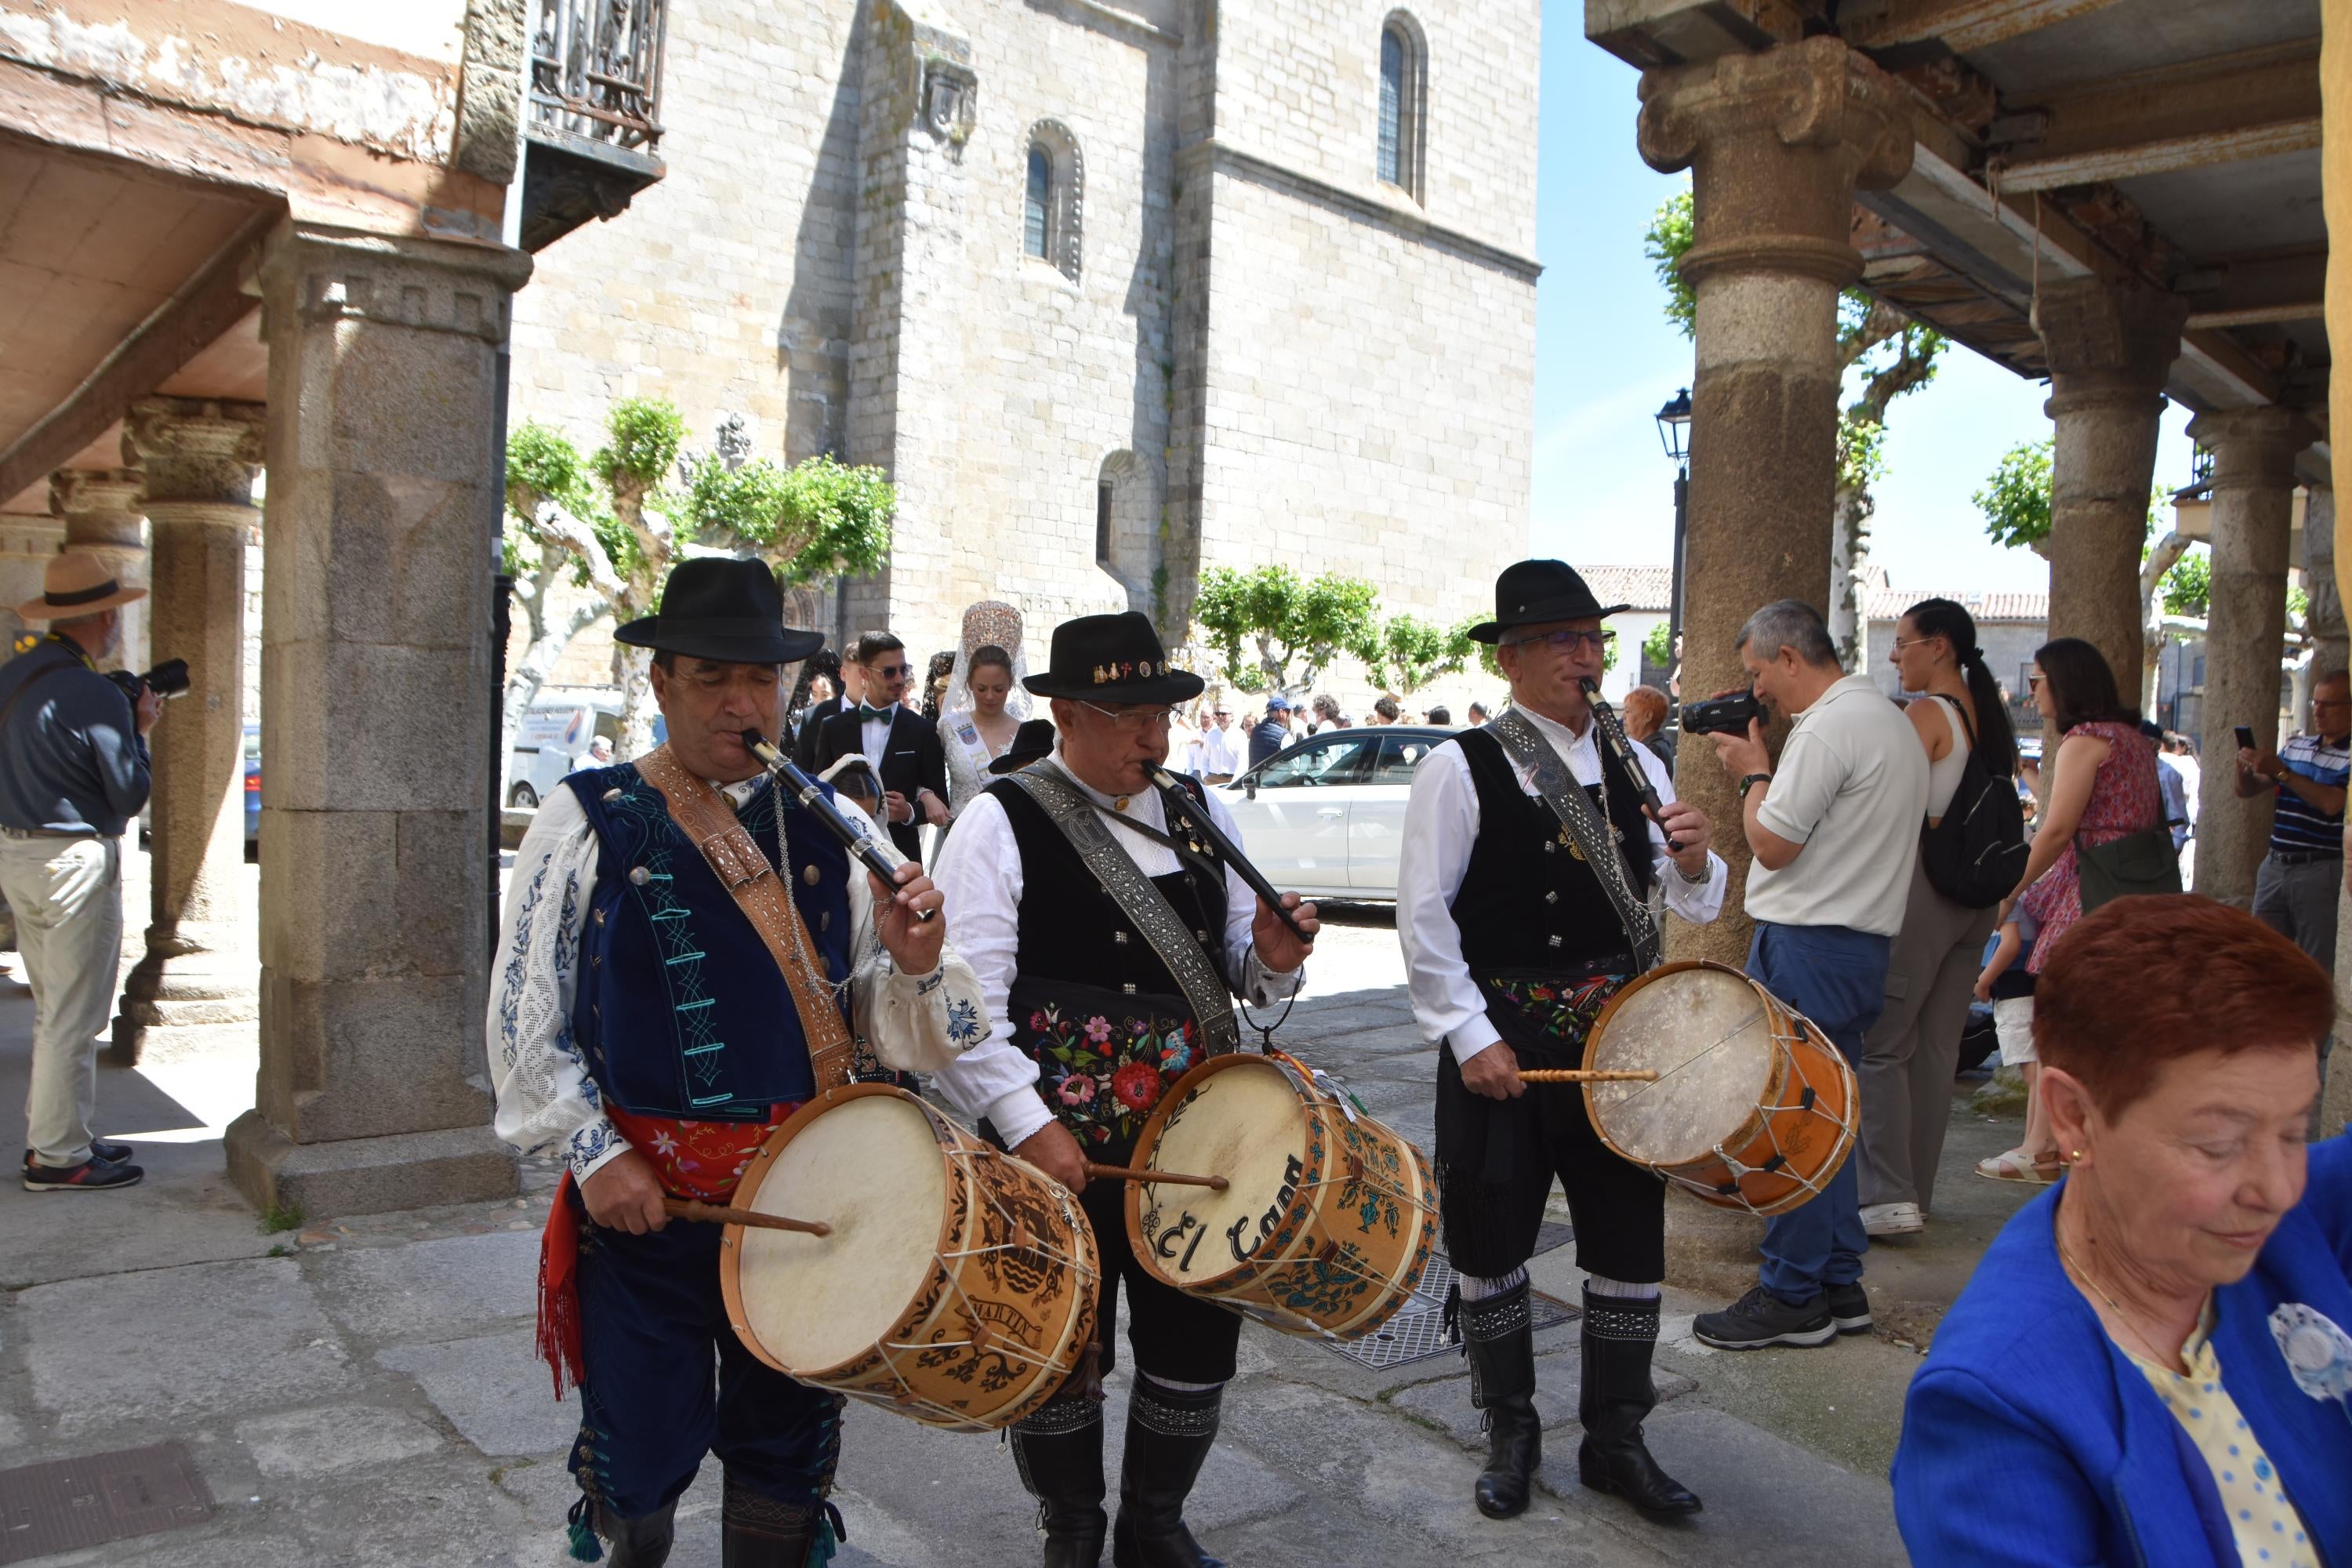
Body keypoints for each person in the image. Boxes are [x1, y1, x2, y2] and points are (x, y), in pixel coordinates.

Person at [488, 557, 985, 1567]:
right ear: (661, 682)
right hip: (644, 1210)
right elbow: (521, 1014)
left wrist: (917, 962)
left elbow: (884, 1029)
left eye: (761, 679)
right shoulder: (589, 816)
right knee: (639, 1456)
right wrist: (592, 1152)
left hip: (805, 1210)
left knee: (783, 1457)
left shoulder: (826, 826)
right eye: (711, 677)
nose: (740, 702)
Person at [927, 612, 1317, 1568]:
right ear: (1065, 712)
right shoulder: (1000, 818)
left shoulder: (1197, 811)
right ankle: (1071, 1525)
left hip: (1196, 1145)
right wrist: (1027, 1127)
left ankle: (1154, 1520)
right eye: (1132, 715)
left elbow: (1236, 963)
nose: (1157, 735)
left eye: (1163, 712)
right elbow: (963, 1001)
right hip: (1063, 1147)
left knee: (1195, 1339)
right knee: (1060, 1337)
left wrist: (1267, 960)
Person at [1399, 561, 1725, 1523]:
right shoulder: (1459, 766)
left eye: (1592, 638)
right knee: (1491, 1238)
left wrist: (1699, 857)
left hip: (1620, 1050)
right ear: (1511, 659)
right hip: (1506, 1049)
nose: (1585, 656)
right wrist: (1468, 1034)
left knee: (1628, 1241)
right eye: (1561, 640)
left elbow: (1690, 899)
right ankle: (1511, 1430)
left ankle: (1616, 1439)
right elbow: (1423, 919)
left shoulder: (1639, 761)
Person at [1893, 895, 2352, 1567]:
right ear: (2074, 1116)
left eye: (2294, 1131)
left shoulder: (2299, 1218)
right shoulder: (1995, 1410)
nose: (2278, 1188)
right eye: (2219, 1144)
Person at [1697, 599, 1927, 1350]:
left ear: (1790, 658)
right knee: (1832, 1117)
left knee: (1792, 1123)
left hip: (1809, 943)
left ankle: (1789, 1290)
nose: (1757, 690)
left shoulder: (1830, 726)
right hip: (1856, 947)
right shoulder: (1890, 719)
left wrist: (1751, 772)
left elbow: (1772, 843)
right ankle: (1836, 1280)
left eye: (1758, 672)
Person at [1, 554, 161, 1193]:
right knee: (74, 1014)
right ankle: (59, 1157)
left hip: (16, 854)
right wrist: (140, 729)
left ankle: (60, 1135)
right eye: (116, 609)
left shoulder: (12, 676)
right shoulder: (94, 693)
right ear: (102, 615)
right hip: (72, 862)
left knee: (54, 1008)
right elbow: (127, 795)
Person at [1856, 598, 2016, 1237]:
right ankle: (1913, 1194)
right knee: (1936, 1049)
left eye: (1903, 643)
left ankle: (1886, 1195)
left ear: (1940, 646)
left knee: (1883, 1043)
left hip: (1926, 889)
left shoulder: (1929, 713)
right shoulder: (1988, 716)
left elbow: (1882, 793)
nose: (1896, 656)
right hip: (1975, 901)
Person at [2006, 638, 2165, 975]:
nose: (2031, 691)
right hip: (2136, 884)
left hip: (2095, 883)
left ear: (2063, 682)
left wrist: (2009, 894)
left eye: (2036, 681)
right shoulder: (2130, 737)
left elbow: (2057, 831)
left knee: (2073, 990)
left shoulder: (2084, 739)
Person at [2238, 669, 2350, 971]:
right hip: (2275, 864)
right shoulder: (2296, 745)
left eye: (2329, 704)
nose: (2319, 710)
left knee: (2316, 965)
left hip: (2320, 869)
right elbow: (2246, 790)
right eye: (2316, 702)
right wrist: (2244, 766)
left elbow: (2332, 804)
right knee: (2259, 958)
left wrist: (2283, 773)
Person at [812, 631, 948, 864]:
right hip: (841, 852)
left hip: (900, 855)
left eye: (903, 670)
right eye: (889, 672)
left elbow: (940, 801)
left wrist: (910, 812)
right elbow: (816, 787)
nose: (899, 679)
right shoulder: (833, 728)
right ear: (865, 673)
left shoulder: (922, 730)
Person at [1971, 903, 2053, 1184]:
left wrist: (1983, 981)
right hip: (2027, 987)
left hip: (2014, 991)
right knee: (2035, 1073)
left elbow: (2010, 944)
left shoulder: (2012, 900)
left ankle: (2039, 1144)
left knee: (2033, 1073)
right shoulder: (2033, 900)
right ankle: (2034, 1138)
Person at [939, 601, 1033, 820]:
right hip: (960, 831)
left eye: (998, 689)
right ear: (969, 683)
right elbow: (928, 778)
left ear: (1011, 684)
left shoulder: (1024, 733)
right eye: (982, 688)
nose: (990, 696)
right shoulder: (950, 727)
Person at [793, 644, 862, 771]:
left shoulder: (897, 717)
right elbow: (801, 773)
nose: (867, 680)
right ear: (843, 674)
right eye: (861, 673)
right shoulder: (814, 717)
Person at [1617, 684, 1674, 772]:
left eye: (1627, 711)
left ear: (1648, 716)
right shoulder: (1658, 746)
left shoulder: (1652, 751)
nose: (1623, 716)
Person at [1247, 694, 1291, 768]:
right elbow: (1295, 765)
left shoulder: (1255, 731)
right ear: (1281, 712)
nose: (1288, 715)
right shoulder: (1284, 736)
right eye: (1288, 711)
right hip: (1276, 779)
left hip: (1256, 779)